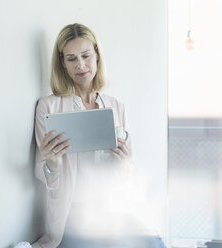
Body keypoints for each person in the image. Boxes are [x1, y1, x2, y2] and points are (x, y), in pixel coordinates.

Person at [33, 23, 165, 248]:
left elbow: (129, 173)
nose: (80, 65)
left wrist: (123, 163)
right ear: (62, 64)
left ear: (97, 57)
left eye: (86, 56)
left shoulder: (116, 107)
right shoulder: (49, 107)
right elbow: (43, 176)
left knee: (155, 243)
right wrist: (53, 163)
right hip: (73, 217)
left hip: (113, 211)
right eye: (71, 59)